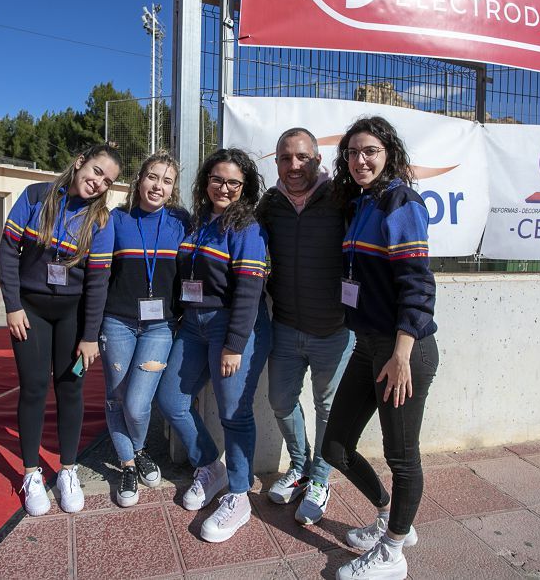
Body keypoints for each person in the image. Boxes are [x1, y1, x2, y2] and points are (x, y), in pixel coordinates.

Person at [321, 116, 439, 580]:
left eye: (369, 150)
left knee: (402, 456)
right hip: (367, 344)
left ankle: (393, 553)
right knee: (335, 446)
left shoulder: (400, 201)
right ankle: (393, 519)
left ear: (389, 152)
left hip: (402, 351)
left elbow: (417, 284)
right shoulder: (360, 204)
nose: (360, 160)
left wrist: (402, 353)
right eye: (352, 152)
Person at [0, 143, 122, 517]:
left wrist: (90, 335)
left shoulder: (102, 220)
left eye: (109, 181)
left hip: (73, 316)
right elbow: (7, 251)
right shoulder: (37, 196)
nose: (99, 183)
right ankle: (32, 473)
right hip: (30, 312)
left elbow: (98, 281)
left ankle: (68, 471)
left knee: (71, 389)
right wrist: (13, 306)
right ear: (80, 161)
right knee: (34, 389)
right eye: (97, 171)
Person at [156, 148, 271, 543]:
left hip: (231, 327)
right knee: (171, 400)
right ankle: (210, 464)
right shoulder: (198, 221)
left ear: (244, 187)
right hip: (193, 326)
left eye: (233, 182)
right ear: (206, 181)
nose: (224, 187)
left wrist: (235, 343)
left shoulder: (247, 227)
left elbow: (249, 290)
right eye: (217, 179)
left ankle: (239, 496)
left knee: (234, 414)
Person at [257, 128, 354, 525]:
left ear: (318, 159)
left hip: (333, 329)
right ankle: (299, 467)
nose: (294, 166)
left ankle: (320, 477)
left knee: (329, 408)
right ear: (277, 161)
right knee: (281, 401)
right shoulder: (270, 203)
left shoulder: (341, 200)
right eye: (285, 158)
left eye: (302, 157)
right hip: (285, 326)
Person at [99, 151, 190, 507]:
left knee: (137, 404)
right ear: (139, 179)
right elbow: (99, 275)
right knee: (116, 396)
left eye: (167, 181)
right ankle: (127, 463)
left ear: (173, 189)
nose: (158, 186)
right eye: (153, 177)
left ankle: (137, 449)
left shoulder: (181, 221)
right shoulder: (115, 220)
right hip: (117, 322)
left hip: (160, 326)